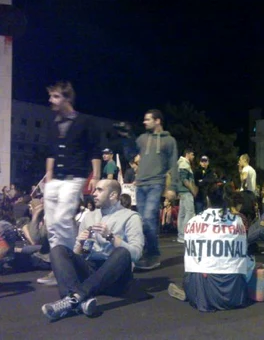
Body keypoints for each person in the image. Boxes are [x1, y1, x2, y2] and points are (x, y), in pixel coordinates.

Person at [41, 180, 144, 321]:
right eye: (94, 190)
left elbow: (136, 254)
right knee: (58, 250)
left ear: (113, 195)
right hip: (91, 270)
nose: (93, 194)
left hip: (115, 274)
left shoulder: (131, 217)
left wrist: (110, 237)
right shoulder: (89, 216)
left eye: (99, 190)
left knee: (122, 252)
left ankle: (76, 297)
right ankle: (77, 300)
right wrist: (80, 244)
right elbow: (78, 254)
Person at [167, 183, 250, 312]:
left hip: (204, 294)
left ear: (207, 199)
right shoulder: (237, 221)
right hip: (234, 294)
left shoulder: (193, 221)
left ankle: (187, 290)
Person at [44, 81, 101, 252]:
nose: (50, 100)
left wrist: (96, 177)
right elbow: (51, 152)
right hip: (54, 179)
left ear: (67, 99)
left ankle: (71, 259)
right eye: (50, 96)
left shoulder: (84, 121)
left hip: (74, 177)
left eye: (55, 96)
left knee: (62, 219)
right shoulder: (54, 123)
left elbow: (94, 150)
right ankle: (58, 265)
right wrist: (48, 174)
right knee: (51, 224)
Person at [120, 109, 178, 270]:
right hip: (140, 184)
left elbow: (173, 164)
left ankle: (153, 255)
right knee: (142, 221)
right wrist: (126, 138)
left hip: (155, 183)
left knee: (148, 219)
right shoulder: (142, 139)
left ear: (157, 121)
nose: (144, 122)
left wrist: (172, 187)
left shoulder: (169, 141)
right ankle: (146, 252)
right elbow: (131, 155)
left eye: (148, 119)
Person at [177, 148, 197, 243]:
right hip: (186, 191)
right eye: (192, 155)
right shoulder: (184, 164)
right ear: (187, 154)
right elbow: (184, 180)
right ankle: (184, 234)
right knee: (189, 212)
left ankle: (181, 235)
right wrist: (193, 190)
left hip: (182, 192)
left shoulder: (181, 163)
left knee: (182, 214)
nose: (193, 157)